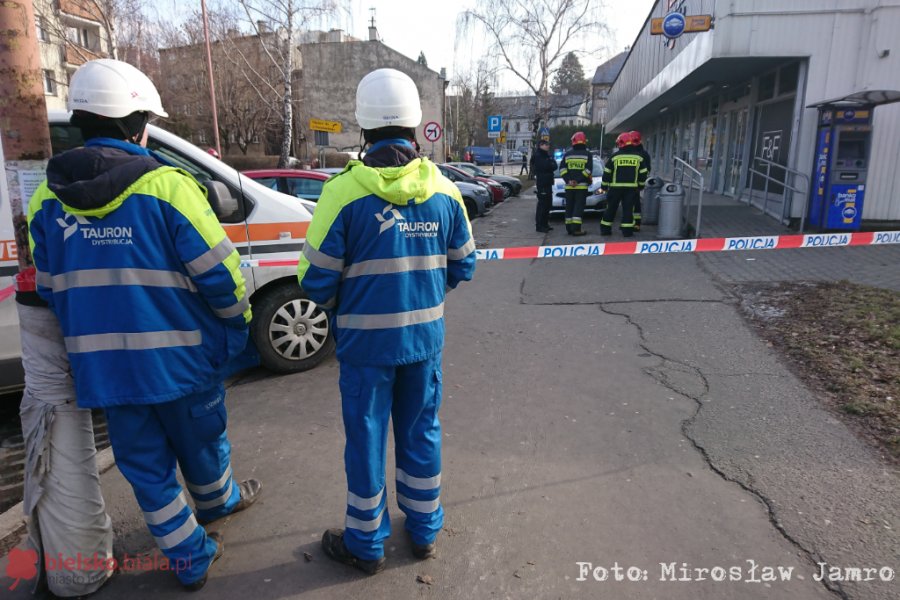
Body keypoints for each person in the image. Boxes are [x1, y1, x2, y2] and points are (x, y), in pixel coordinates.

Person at [27, 58, 261, 591]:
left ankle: (189, 558)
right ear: (140, 126)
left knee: (145, 468)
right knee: (202, 441)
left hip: (106, 372)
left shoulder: (46, 199)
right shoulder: (168, 188)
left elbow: (47, 286)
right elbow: (221, 276)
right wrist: (236, 325)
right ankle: (218, 503)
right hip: (181, 360)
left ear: (81, 122)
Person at [298, 68, 476, 575]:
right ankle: (423, 531)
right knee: (421, 432)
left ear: (362, 128)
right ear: (417, 127)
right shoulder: (443, 189)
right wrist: (423, 288)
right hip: (423, 342)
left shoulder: (342, 193)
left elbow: (314, 278)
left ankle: (366, 544)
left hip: (363, 348)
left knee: (367, 440)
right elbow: (464, 263)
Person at [15, 267, 114, 597]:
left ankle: (78, 567)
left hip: (39, 301)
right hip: (49, 300)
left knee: (58, 414)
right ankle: (82, 570)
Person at [599, 132, 649, 237]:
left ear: (620, 143)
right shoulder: (638, 157)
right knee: (628, 209)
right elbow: (643, 173)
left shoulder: (614, 157)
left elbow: (607, 172)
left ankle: (605, 230)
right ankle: (627, 231)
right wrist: (640, 185)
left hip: (615, 188)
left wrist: (604, 186)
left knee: (611, 208)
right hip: (631, 189)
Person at [560, 131, 593, 236]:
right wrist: (577, 181)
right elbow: (588, 170)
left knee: (569, 207)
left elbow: (562, 169)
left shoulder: (567, 154)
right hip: (581, 187)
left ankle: (569, 229)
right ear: (584, 141)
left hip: (569, 186)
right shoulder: (588, 154)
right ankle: (576, 230)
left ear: (573, 141)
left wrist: (568, 180)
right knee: (578, 207)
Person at [628, 131, 652, 231]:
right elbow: (648, 169)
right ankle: (636, 223)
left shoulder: (629, 153)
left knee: (629, 203)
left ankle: (630, 223)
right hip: (637, 183)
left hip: (629, 182)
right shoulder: (644, 153)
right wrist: (641, 183)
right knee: (635, 202)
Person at [532, 139, 558, 233]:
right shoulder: (539, 156)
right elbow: (546, 166)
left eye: (548, 144)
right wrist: (550, 164)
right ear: (541, 145)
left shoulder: (547, 155)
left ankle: (545, 224)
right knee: (542, 205)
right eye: (546, 145)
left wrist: (550, 163)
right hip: (542, 183)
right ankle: (539, 226)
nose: (548, 146)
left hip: (548, 182)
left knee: (548, 205)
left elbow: (555, 166)